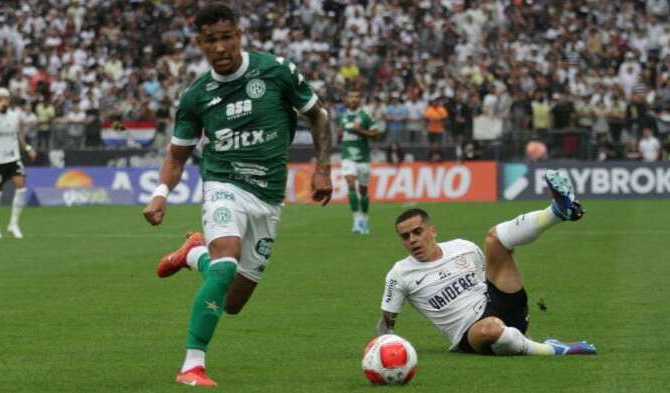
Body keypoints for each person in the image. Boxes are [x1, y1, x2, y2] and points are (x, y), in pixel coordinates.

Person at [141, 3, 332, 387]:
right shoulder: (197, 96)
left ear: (239, 36)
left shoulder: (276, 71)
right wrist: (160, 193)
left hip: (268, 197)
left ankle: (193, 253)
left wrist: (323, 168)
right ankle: (192, 365)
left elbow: (319, 115)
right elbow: (176, 156)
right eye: (212, 40)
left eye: (227, 37)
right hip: (222, 183)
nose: (221, 47)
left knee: (232, 302)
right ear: (200, 44)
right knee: (226, 262)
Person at [376, 170, 597, 356]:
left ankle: (557, 212)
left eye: (417, 232)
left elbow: (487, 279)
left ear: (432, 231)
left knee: (495, 239)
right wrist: (385, 349)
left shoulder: (463, 247)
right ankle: (552, 350)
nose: (412, 239)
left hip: (500, 305)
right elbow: (386, 325)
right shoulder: (400, 274)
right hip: (469, 333)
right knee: (490, 329)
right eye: (405, 237)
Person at [0, 88, 37, 239]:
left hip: (13, 158)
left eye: (5, 98)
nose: (3, 101)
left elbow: (16, 134)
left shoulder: (14, 116)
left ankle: (13, 224)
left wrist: (27, 147)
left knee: (21, 188)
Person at [336, 89, 378, 234]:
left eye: (356, 97)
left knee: (363, 191)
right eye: (351, 96)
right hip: (347, 157)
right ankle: (356, 219)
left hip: (363, 159)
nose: (353, 99)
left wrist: (361, 131)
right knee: (350, 183)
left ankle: (365, 218)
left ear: (360, 100)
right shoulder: (342, 115)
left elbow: (376, 134)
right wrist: (340, 133)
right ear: (347, 99)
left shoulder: (366, 116)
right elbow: (339, 132)